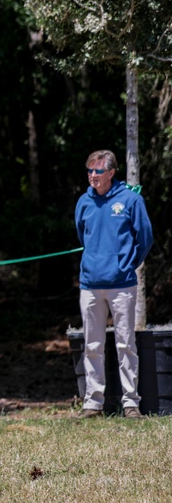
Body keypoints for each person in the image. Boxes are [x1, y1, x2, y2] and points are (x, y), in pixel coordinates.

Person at [75, 149, 153, 418]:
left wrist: (127, 264)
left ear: (111, 172)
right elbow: (82, 236)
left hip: (122, 284)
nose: (92, 176)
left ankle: (131, 403)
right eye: (89, 170)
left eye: (97, 171)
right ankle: (93, 404)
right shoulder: (84, 202)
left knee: (125, 344)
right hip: (90, 284)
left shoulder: (130, 200)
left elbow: (145, 237)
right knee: (92, 346)